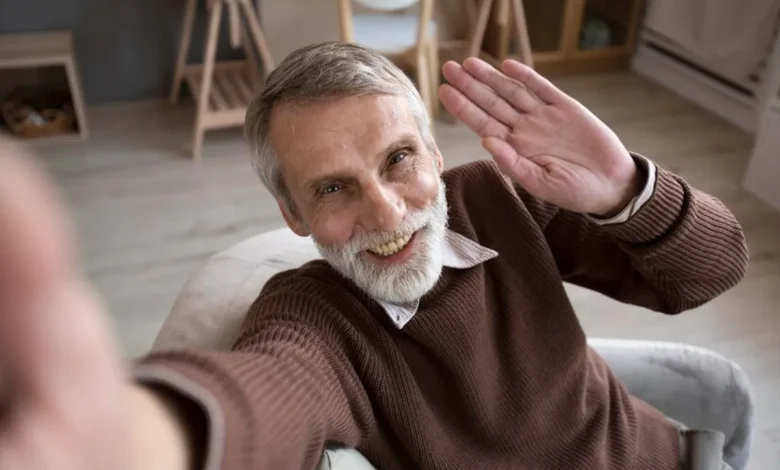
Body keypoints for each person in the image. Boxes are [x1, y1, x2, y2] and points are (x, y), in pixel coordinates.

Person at [0, 42, 751, 470]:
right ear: (292, 214)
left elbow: (709, 272)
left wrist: (625, 189)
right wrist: (117, 434)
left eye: (398, 159)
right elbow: (267, 395)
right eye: (333, 187)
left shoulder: (502, 196)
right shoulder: (312, 318)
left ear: (434, 150)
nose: (387, 212)